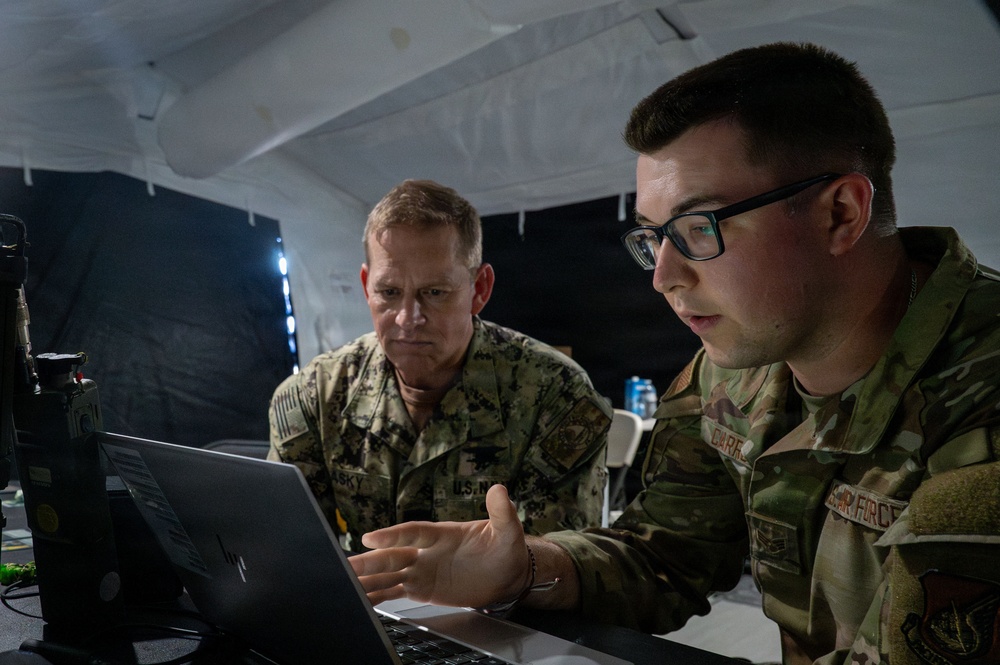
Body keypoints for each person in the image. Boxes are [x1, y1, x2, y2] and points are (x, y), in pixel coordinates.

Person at [348, 43, 1000, 665]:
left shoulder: (981, 405)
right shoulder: (732, 375)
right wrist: (529, 569)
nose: (663, 276)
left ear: (840, 213)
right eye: (654, 237)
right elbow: (668, 553)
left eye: (697, 228)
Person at [268, 178, 611, 552]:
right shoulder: (315, 394)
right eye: (389, 292)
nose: (407, 318)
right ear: (367, 286)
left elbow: (560, 567)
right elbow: (289, 547)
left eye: (434, 293)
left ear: (479, 290)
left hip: (497, 610)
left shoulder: (555, 394)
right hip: (365, 604)